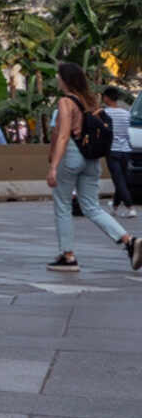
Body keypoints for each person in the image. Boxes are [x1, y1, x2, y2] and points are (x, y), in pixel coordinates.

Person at [46, 62, 142, 272]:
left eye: (59, 76)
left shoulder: (66, 102)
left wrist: (53, 166)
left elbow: (63, 135)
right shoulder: (91, 101)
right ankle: (128, 240)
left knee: (62, 204)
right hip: (91, 158)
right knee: (91, 206)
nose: (57, 80)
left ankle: (68, 256)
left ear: (65, 79)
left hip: (72, 154)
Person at [102, 87, 136, 218]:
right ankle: (115, 207)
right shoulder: (126, 113)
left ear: (107, 98)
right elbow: (127, 132)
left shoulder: (105, 113)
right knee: (121, 179)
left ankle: (130, 207)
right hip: (125, 150)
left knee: (118, 180)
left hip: (112, 150)